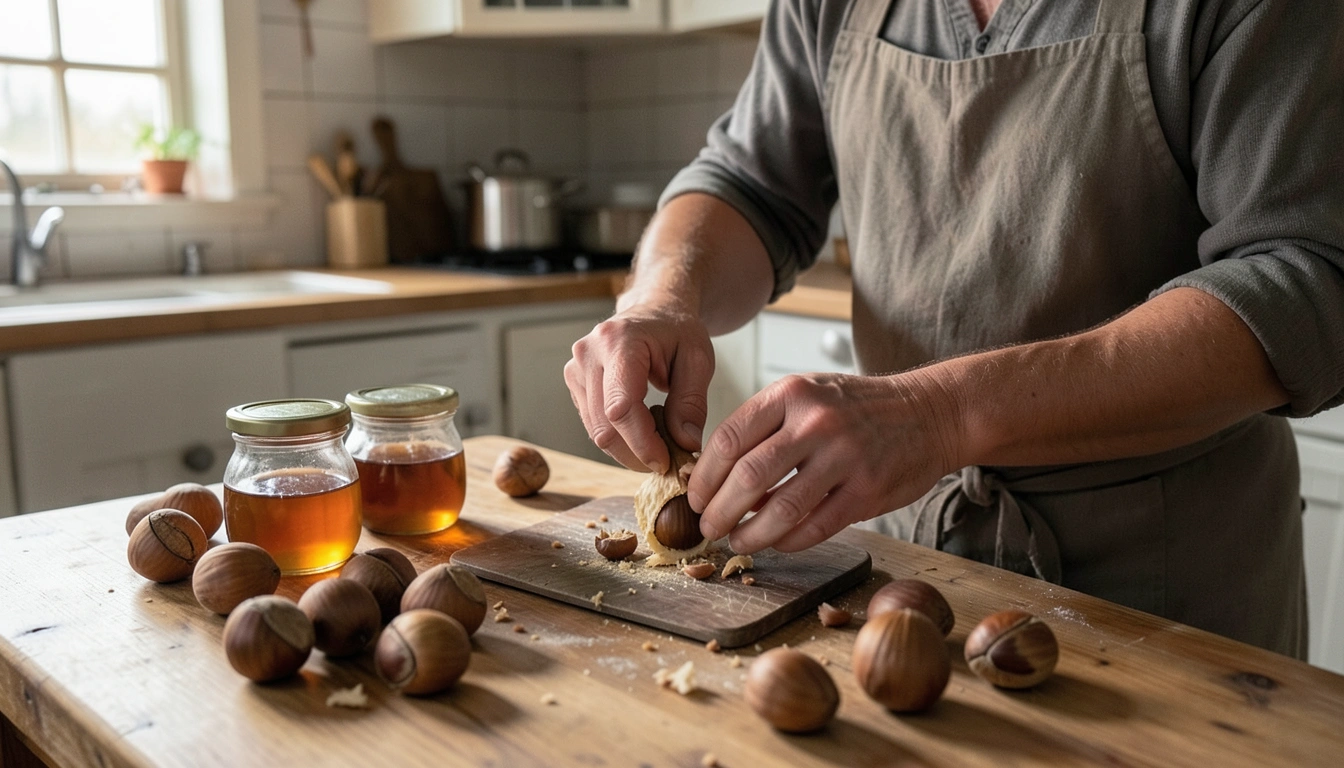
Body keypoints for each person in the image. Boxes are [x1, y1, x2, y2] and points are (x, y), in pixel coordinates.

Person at [564, 0, 1344, 658]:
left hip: (1165, 580)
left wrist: (942, 415)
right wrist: (661, 297)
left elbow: (1304, 273)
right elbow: (748, 183)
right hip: (899, 557)